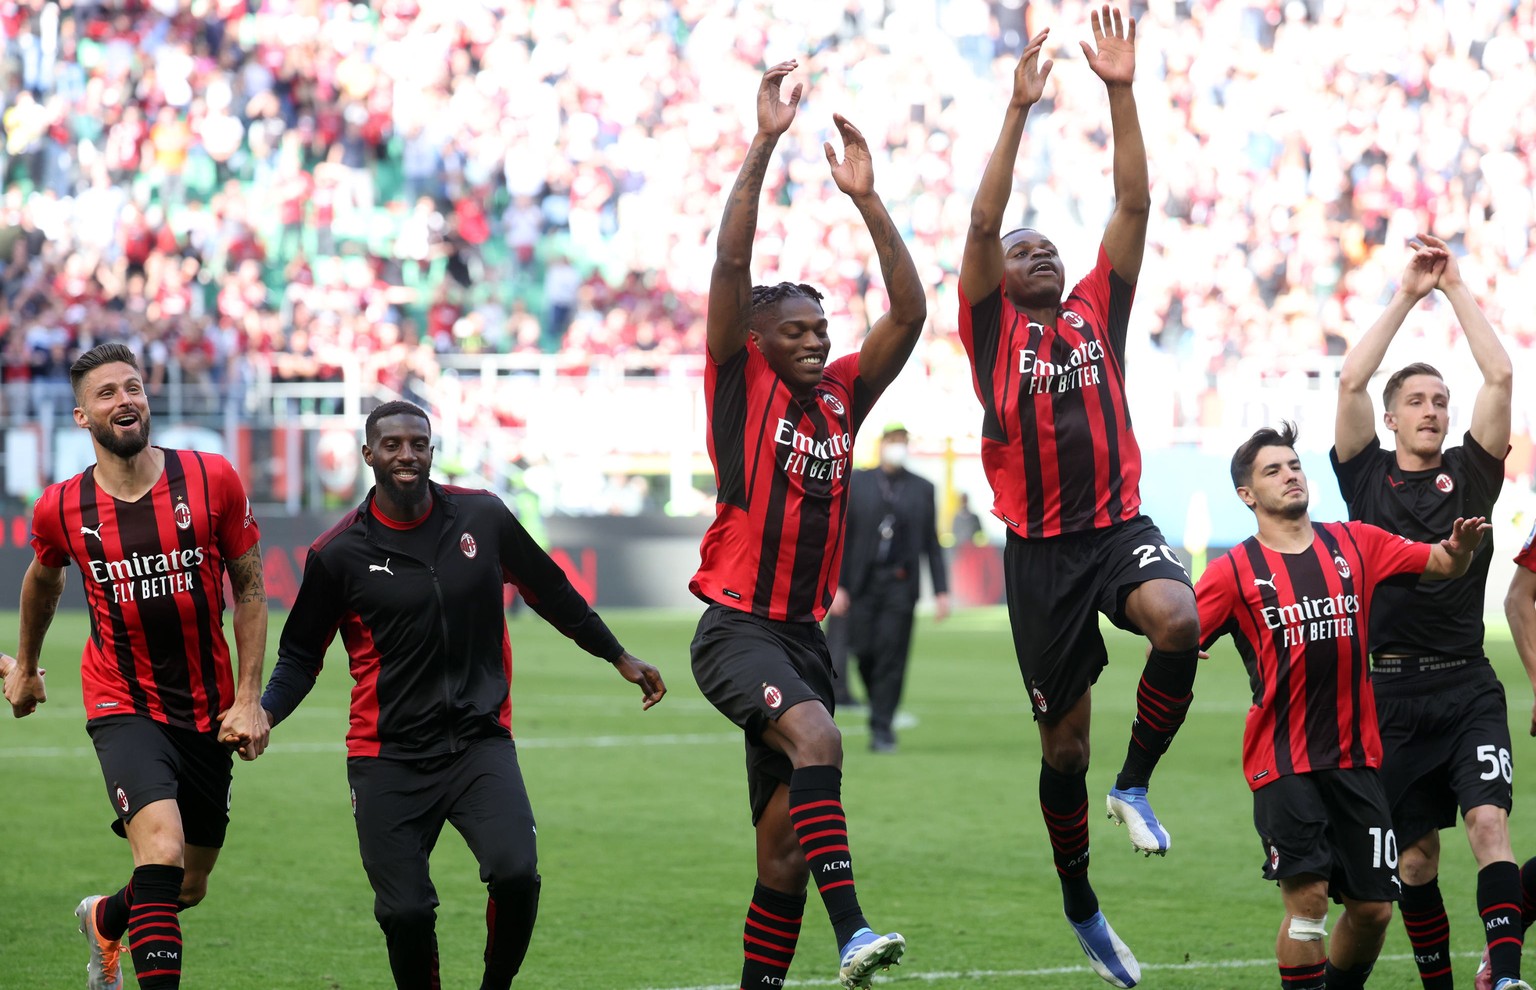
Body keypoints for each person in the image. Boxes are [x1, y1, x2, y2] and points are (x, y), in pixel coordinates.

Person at [259, 400, 664, 990]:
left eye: (417, 443)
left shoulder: (483, 518)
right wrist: (264, 711)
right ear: (368, 455)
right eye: (392, 445)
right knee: (405, 912)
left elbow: (549, 588)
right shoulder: (338, 554)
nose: (406, 454)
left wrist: (617, 655)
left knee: (517, 874)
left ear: (432, 450)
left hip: (479, 742)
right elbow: (299, 655)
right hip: (387, 756)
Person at [958, 9, 1200, 984]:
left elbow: (1134, 204)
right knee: (1063, 752)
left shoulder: (1100, 306)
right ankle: (1080, 902)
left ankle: (1136, 786)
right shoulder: (988, 336)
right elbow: (979, 225)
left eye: (1048, 245)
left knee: (1179, 619)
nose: (1041, 253)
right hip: (1042, 557)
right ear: (997, 279)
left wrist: (1119, 89)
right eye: (1024, 251)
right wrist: (1017, 112)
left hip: (1118, 531)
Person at [688, 60, 927, 990]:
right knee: (823, 742)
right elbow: (730, 266)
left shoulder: (840, 399)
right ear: (758, 341)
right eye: (798, 330)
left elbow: (908, 313)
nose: (817, 339)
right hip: (737, 630)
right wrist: (764, 143)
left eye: (822, 328)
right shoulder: (737, 383)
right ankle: (856, 930)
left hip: (803, 640)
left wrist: (869, 204)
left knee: (782, 861)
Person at [2, 341, 269, 990]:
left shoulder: (213, 478)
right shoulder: (61, 507)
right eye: (106, 393)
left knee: (188, 883)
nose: (124, 399)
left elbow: (251, 587)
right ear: (82, 418)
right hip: (123, 701)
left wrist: (250, 696)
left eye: (133, 387)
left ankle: (105, 918)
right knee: (161, 851)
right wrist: (26, 666)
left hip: (210, 709)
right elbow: (42, 580)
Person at [1197, 422, 1486, 990]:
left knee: (1375, 910)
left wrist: (1460, 550)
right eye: (1273, 470)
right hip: (1283, 760)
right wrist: (1181, 649)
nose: (1290, 475)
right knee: (1306, 905)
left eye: (1294, 464)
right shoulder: (1231, 571)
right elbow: (1178, 632)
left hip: (1357, 759)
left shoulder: (1356, 541)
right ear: (1247, 495)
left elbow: (1441, 563)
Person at [1331, 235, 1527, 990]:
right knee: (1415, 860)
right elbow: (1351, 381)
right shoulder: (1365, 480)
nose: (1433, 411)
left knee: (1488, 825)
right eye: (1416, 400)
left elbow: (1501, 372)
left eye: (1440, 401)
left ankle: (1506, 978)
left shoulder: (1471, 475)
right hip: (1389, 695)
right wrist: (1409, 294)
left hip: (1468, 685)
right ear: (1390, 419)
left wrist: (1455, 288)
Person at [829, 423, 950, 752]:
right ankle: (878, 702)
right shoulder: (858, 482)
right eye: (892, 441)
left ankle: (882, 727)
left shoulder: (922, 488)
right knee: (863, 650)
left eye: (902, 442)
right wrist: (836, 584)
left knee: (892, 656)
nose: (897, 447)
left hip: (900, 584)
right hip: (862, 584)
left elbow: (931, 542)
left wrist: (941, 590)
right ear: (881, 445)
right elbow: (841, 536)